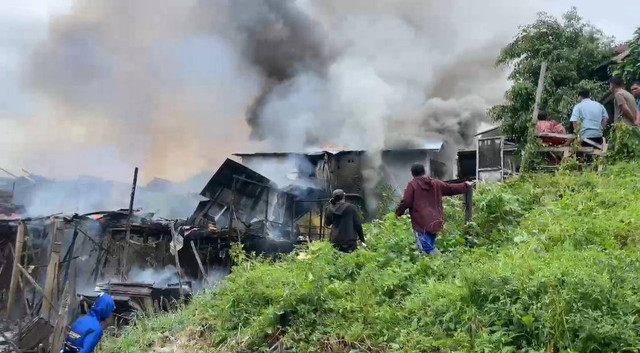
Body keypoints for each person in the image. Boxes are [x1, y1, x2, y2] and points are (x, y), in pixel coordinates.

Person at [395, 163, 473, 255]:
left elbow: (407, 201)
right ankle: (433, 266)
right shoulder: (436, 183)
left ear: (413, 174)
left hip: (421, 222)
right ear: (424, 172)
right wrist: (465, 185)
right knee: (429, 246)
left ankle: (443, 262)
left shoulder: (412, 185)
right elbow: (451, 188)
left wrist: (398, 213)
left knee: (426, 248)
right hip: (435, 220)